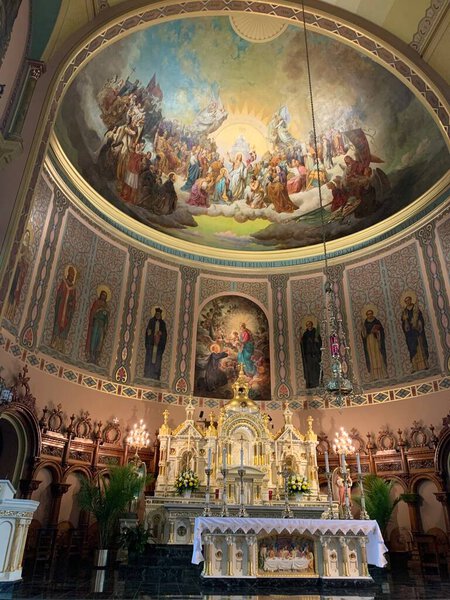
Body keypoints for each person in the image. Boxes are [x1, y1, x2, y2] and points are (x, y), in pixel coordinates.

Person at [51, 265, 77, 353]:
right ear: (67, 275)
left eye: (72, 276)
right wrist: (61, 297)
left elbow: (74, 300)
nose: (71, 277)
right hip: (61, 307)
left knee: (65, 325)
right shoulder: (63, 283)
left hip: (67, 311)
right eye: (70, 275)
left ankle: (61, 344)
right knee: (57, 322)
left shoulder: (73, 288)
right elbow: (59, 293)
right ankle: (54, 341)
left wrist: (71, 303)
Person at [401, 295, 429, 372]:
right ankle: (415, 367)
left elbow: (420, 318)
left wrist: (418, 323)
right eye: (406, 301)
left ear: (411, 300)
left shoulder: (416, 309)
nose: (408, 302)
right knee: (412, 348)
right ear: (405, 302)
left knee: (420, 346)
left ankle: (425, 364)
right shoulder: (404, 312)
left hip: (417, 331)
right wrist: (405, 323)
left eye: (409, 300)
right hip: (410, 334)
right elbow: (403, 323)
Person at [85, 287, 110, 364]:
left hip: (102, 325)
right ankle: (91, 355)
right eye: (103, 295)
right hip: (96, 322)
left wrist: (106, 324)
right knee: (94, 339)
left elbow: (107, 317)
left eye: (105, 296)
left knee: (100, 341)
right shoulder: (97, 302)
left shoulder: (106, 305)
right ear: (100, 295)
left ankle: (96, 357)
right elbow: (93, 312)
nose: (104, 297)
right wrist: (99, 310)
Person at [361, 309, 387, 380]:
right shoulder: (365, 323)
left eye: (371, 314)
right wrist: (363, 330)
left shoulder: (377, 322)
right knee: (372, 356)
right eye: (368, 314)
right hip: (369, 341)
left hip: (377, 340)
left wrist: (377, 332)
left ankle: (383, 373)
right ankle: (374, 375)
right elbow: (364, 335)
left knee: (379, 354)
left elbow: (381, 330)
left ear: (372, 314)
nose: (370, 315)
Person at [144, 308, 167, 380]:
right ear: (155, 314)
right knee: (149, 358)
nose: (158, 315)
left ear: (161, 315)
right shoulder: (151, 321)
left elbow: (165, 334)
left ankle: (156, 375)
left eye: (159, 314)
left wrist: (161, 334)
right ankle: (147, 373)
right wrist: (149, 333)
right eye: (157, 314)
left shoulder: (163, 323)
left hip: (158, 346)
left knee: (157, 360)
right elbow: (148, 331)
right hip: (151, 344)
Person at [300, 320, 322, 388]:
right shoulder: (305, 334)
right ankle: (310, 383)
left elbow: (320, 342)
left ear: (312, 325)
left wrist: (317, 341)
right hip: (308, 354)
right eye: (307, 325)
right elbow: (303, 343)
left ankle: (318, 382)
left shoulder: (316, 332)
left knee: (316, 368)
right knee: (309, 369)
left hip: (315, 353)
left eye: (310, 325)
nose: (309, 326)